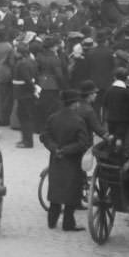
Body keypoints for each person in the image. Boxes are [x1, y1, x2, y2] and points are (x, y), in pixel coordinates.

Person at [41, 89, 91, 230]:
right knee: (72, 191)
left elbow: (45, 136)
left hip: (56, 159)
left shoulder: (53, 117)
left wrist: (55, 148)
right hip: (72, 161)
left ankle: (52, 221)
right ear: (74, 104)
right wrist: (66, 150)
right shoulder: (78, 121)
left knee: (55, 189)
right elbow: (83, 143)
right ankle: (68, 224)